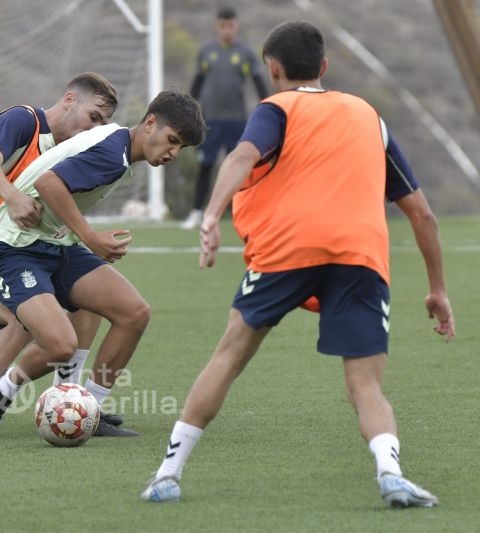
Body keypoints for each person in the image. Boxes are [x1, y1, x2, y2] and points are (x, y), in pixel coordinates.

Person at [141, 21, 456, 508]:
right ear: (324, 67)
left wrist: (210, 215)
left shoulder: (277, 108)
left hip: (287, 250)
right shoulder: (369, 116)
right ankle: (391, 473)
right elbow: (423, 214)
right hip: (360, 255)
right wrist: (438, 289)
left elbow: (242, 156)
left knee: (229, 356)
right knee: (366, 384)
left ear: (272, 69)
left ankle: (167, 474)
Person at [0, 90, 206, 437]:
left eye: (181, 148)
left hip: (54, 242)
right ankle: (3, 392)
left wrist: (80, 236)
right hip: (15, 245)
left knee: (133, 312)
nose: (173, 153)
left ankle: (90, 409)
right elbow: (48, 182)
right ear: (150, 123)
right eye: (172, 141)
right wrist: (91, 237)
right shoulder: (113, 153)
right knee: (61, 345)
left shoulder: (118, 149)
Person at [0, 73, 119, 440]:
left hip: (21, 251)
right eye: (93, 117)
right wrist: (13, 198)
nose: (95, 128)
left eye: (103, 124)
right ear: (68, 100)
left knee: (86, 300)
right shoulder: (22, 121)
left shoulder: (69, 151)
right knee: (26, 320)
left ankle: (73, 401)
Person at [181, 6, 269, 230]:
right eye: (222, 26)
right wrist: (186, 111)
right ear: (216, 26)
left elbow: (258, 83)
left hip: (237, 121)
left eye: (230, 26)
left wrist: (269, 107)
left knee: (238, 168)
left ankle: (242, 212)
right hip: (210, 121)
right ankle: (196, 212)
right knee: (206, 165)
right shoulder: (206, 52)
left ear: (236, 26)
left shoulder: (246, 54)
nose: (226, 30)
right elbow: (197, 85)